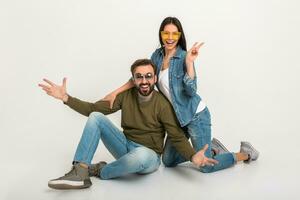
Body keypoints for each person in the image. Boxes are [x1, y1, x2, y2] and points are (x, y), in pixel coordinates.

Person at [102, 17, 259, 173]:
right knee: (168, 161)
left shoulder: (184, 56)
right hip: (177, 119)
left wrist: (189, 62)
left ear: (179, 36)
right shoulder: (156, 56)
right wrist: (115, 93)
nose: (170, 38)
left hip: (195, 116)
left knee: (205, 167)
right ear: (161, 34)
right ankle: (213, 149)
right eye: (166, 33)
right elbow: (139, 77)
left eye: (174, 34)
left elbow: (191, 91)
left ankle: (245, 154)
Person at [38, 59, 219, 190]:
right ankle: (80, 170)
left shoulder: (162, 104)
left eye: (148, 76)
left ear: (155, 79)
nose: (144, 81)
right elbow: (92, 108)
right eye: (139, 77)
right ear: (133, 79)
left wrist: (193, 156)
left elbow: (176, 136)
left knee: (139, 156)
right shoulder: (125, 96)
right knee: (95, 116)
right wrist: (65, 98)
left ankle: (102, 171)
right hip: (125, 145)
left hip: (149, 156)